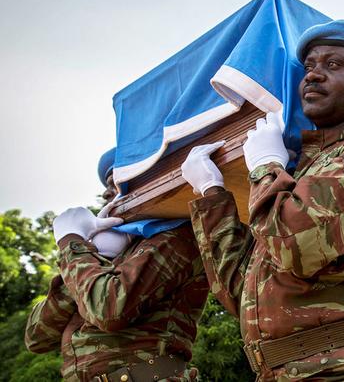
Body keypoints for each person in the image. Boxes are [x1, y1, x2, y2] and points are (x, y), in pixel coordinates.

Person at [181, 20, 344, 380]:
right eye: (310, 67)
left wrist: (266, 168)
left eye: (333, 65)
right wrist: (212, 194)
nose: (312, 76)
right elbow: (242, 293)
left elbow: (293, 243)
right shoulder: (302, 174)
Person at [25, 148, 209, 381]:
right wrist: (96, 255)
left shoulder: (176, 235)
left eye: (119, 182)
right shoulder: (99, 254)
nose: (106, 194)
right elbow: (37, 337)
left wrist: (71, 244)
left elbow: (110, 310)